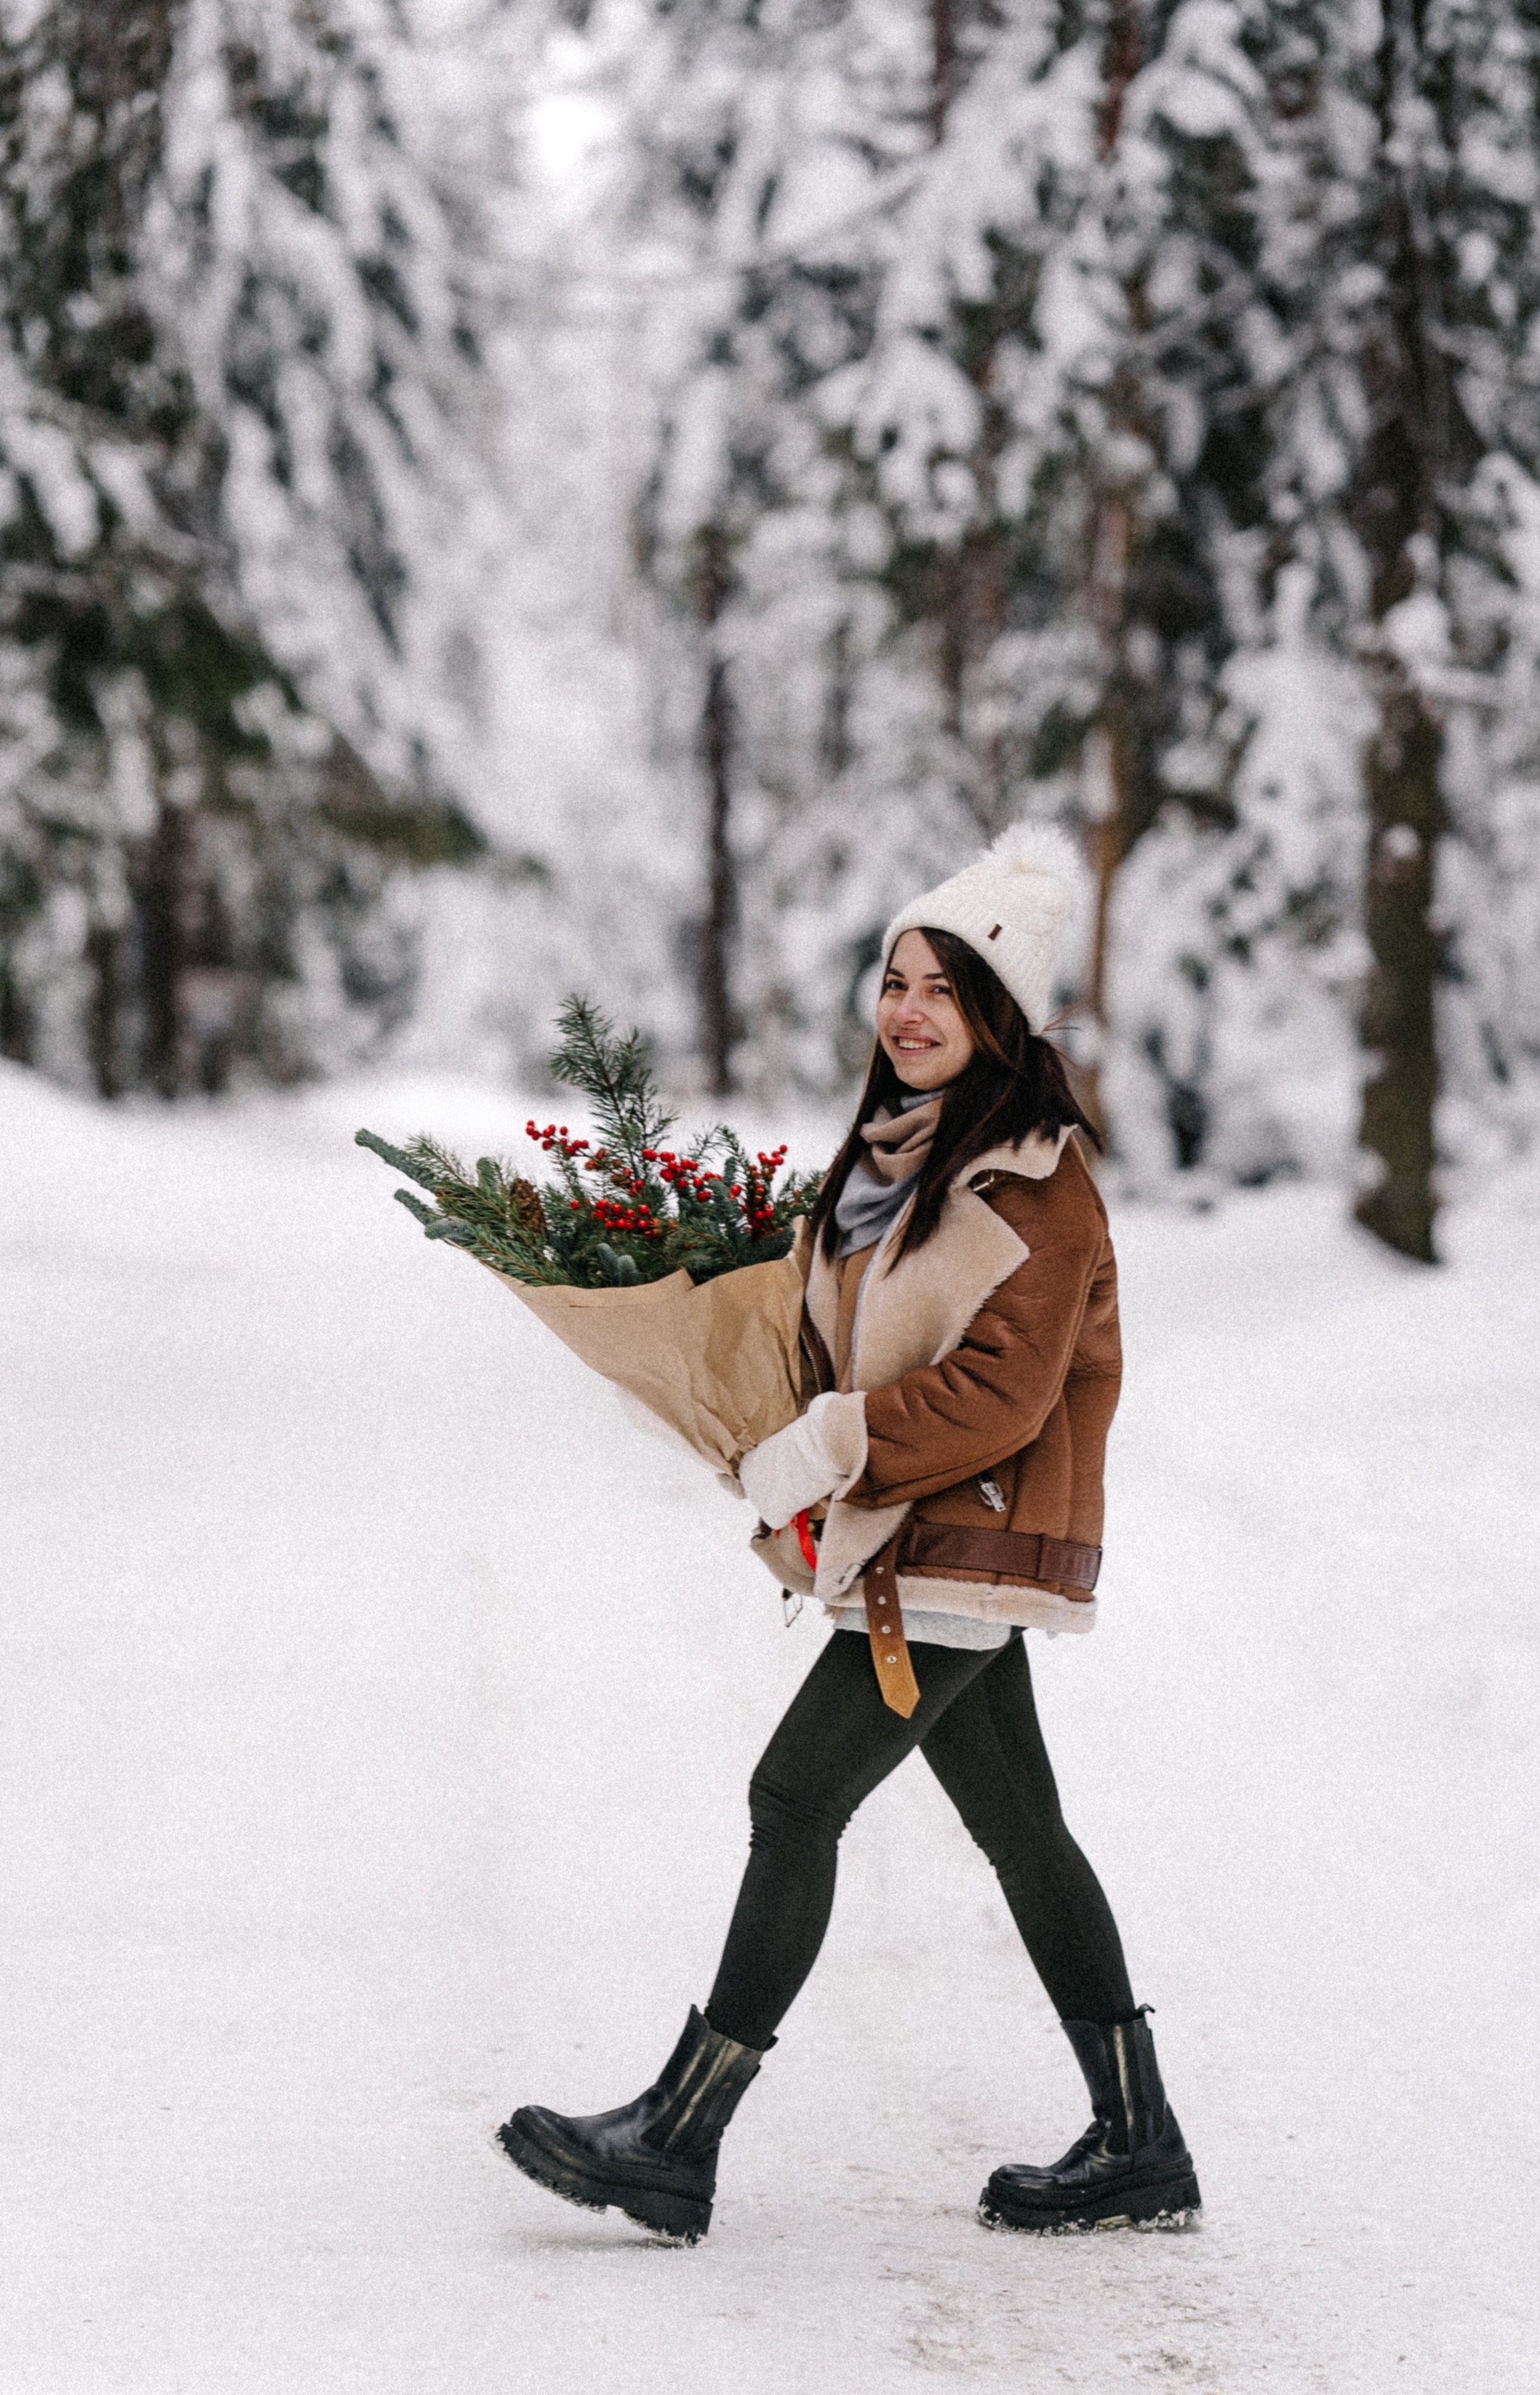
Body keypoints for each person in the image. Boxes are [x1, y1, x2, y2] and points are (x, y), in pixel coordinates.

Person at [497, 824, 1199, 2244]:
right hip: (918, 1538)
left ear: (1000, 1018)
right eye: (894, 980)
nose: (908, 1011)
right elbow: (839, 1329)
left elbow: (1000, 1393)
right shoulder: (890, 1158)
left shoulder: (1035, 1182)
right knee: (1023, 1832)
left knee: (792, 1803)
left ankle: (677, 2138)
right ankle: (1138, 2138)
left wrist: (833, 1445)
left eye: (945, 988)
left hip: (970, 1534)